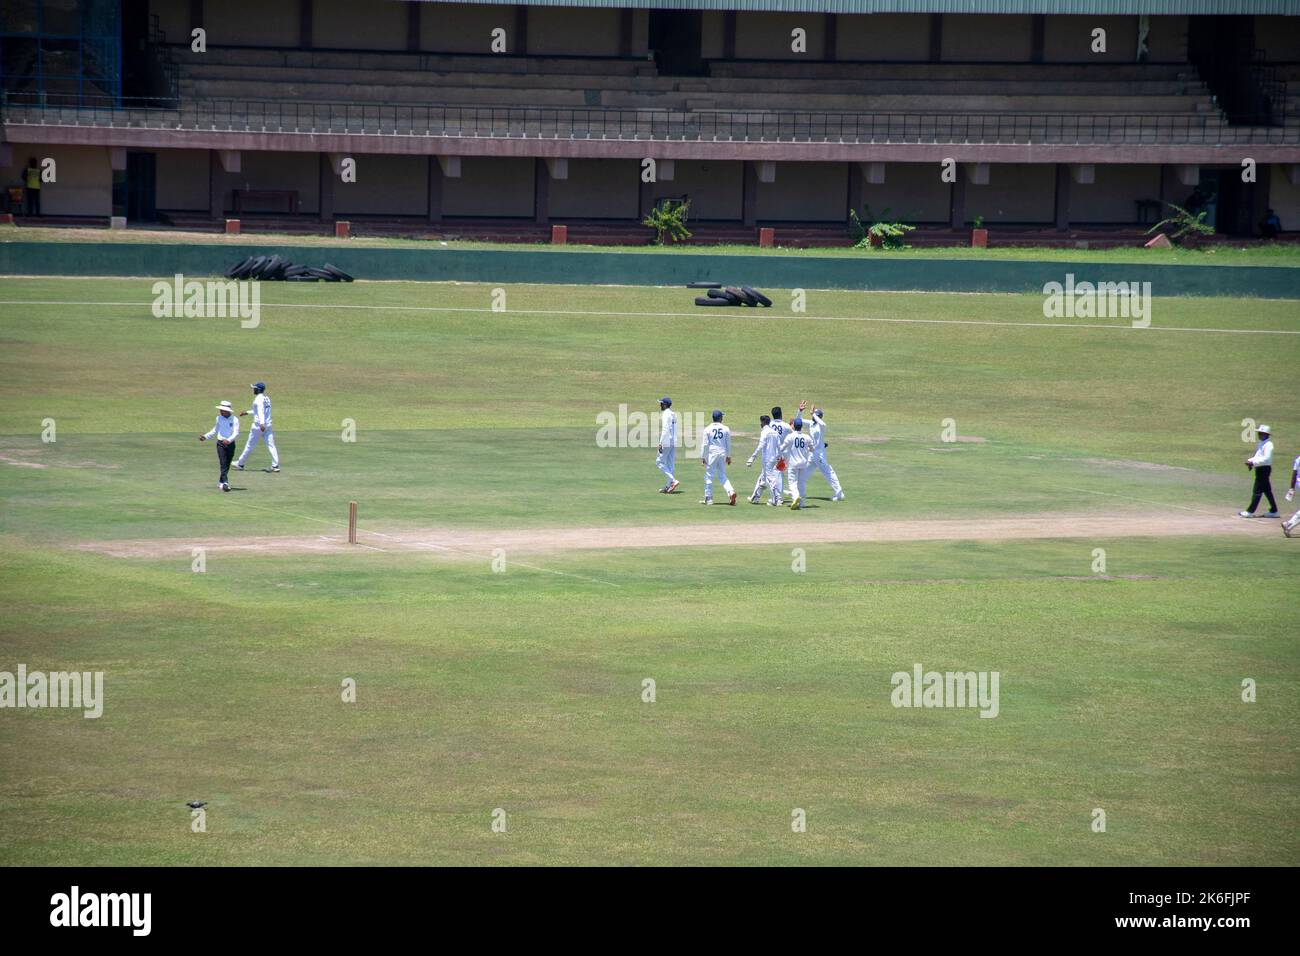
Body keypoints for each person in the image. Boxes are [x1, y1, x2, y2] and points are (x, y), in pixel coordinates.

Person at [799, 400, 844, 501]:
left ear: (818, 416)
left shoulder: (821, 426)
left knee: (828, 472)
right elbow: (798, 421)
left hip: (819, 455)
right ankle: (797, 491)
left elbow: (823, 424)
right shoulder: (811, 423)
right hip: (812, 454)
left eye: (815, 415)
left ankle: (839, 493)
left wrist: (814, 415)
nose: (812, 417)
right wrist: (800, 411)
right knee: (804, 472)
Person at [235, 381, 279, 473]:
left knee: (250, 445)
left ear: (258, 390)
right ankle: (275, 465)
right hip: (268, 425)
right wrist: (247, 412)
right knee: (271, 445)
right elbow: (259, 411)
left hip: (259, 426)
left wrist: (262, 424)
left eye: (254, 388)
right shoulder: (266, 398)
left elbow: (260, 411)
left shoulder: (258, 399)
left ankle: (240, 463)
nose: (253, 390)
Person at [1240, 424, 1279, 518]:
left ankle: (1250, 511)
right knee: (1267, 490)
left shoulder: (1269, 445)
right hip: (1260, 469)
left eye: (1261, 433)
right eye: (1259, 433)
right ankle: (1274, 511)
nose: (1259, 435)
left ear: (1266, 434)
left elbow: (1267, 459)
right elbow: (1257, 456)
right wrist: (1250, 461)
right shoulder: (1261, 443)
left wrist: (1253, 463)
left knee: (1257, 490)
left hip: (1264, 469)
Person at [200, 400, 240, 492]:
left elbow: (236, 433)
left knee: (227, 464)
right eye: (220, 410)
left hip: (230, 444)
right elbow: (215, 430)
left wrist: (229, 440)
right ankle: (225, 483)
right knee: (223, 463)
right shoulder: (219, 418)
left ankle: (221, 481)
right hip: (220, 443)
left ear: (228, 411)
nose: (221, 412)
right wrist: (205, 436)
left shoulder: (235, 420)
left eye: (223, 410)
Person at [778, 417, 817, 510]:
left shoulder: (790, 436)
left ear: (794, 426)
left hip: (793, 464)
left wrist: (777, 454)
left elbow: (782, 448)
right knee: (802, 483)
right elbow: (812, 449)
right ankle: (802, 503)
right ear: (801, 426)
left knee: (792, 483)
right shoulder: (807, 437)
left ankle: (795, 498)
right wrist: (806, 450)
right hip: (803, 463)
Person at [699, 409, 735, 505]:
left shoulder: (707, 429)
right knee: (722, 476)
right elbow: (728, 444)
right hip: (722, 453)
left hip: (712, 454)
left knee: (709, 476)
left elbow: (705, 444)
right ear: (720, 418)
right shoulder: (726, 428)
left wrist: (703, 457)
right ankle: (731, 492)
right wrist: (728, 456)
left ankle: (709, 498)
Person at [745, 414, 779, 505]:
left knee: (770, 479)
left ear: (763, 422)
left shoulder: (765, 432)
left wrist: (752, 457)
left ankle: (776, 500)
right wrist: (779, 457)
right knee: (762, 479)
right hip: (773, 458)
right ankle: (755, 497)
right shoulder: (774, 432)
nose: (760, 424)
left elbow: (761, 445)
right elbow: (778, 446)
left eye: (761, 422)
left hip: (767, 459)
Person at [768, 406, 791, 503]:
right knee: (778, 473)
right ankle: (777, 496)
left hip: (772, 452)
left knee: (776, 474)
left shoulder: (769, 424)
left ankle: (778, 497)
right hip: (783, 452)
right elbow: (793, 433)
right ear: (781, 414)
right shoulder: (786, 425)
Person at [655, 396, 678, 494]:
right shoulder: (673, 414)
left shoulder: (666, 414)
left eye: (661, 403)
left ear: (665, 405)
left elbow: (665, 429)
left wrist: (660, 443)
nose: (660, 405)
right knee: (670, 464)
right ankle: (669, 486)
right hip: (673, 441)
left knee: (659, 462)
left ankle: (673, 481)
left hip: (666, 441)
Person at [1282, 454, 1300, 537]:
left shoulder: (1298, 458)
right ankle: (1289, 526)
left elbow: (1294, 474)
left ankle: (1288, 524)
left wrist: (1292, 488)